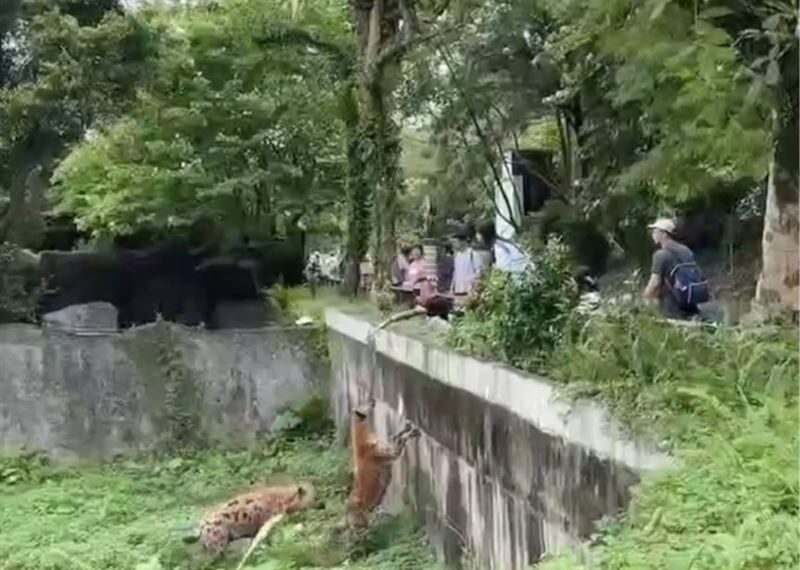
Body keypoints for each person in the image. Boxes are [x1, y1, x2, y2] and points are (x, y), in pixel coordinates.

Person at [643, 218, 710, 319]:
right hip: (690, 298)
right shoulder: (685, 250)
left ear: (664, 234)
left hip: (672, 304)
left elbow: (654, 283)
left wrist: (645, 297)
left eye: (655, 231)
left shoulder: (660, 255)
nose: (653, 234)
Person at [450, 228, 481, 296]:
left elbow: (478, 272)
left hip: (469, 290)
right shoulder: (457, 256)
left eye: (455, 242)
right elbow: (455, 272)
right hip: (458, 290)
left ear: (463, 242)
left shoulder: (473, 254)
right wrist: (452, 287)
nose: (453, 245)